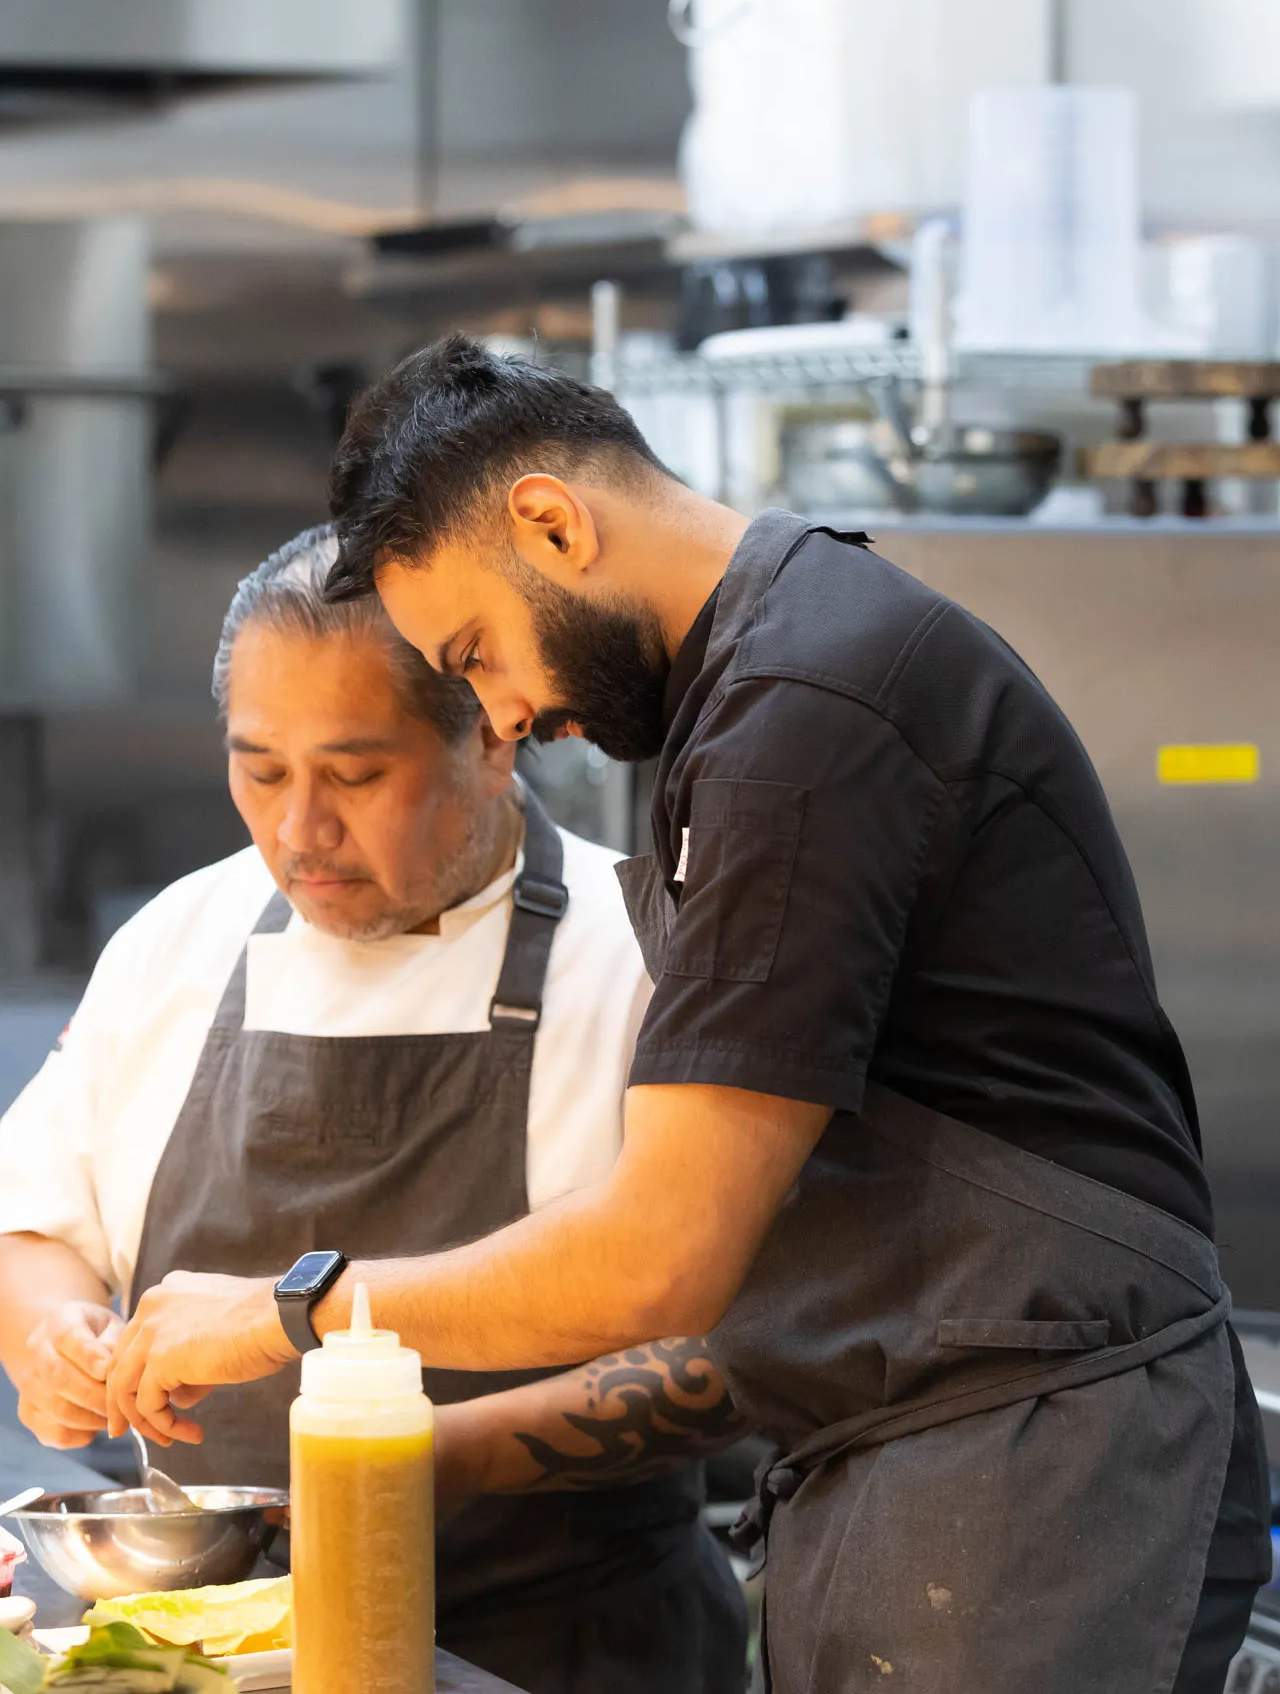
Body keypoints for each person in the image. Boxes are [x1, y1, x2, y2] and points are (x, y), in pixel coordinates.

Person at [106, 343, 1272, 1694]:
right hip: (921, 1457)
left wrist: (288, 1313)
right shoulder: (746, 700)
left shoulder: (804, 708)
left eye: (476, 653)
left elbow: (661, 1256)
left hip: (1040, 1469)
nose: (506, 714)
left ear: (553, 522)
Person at [0, 523, 747, 1694]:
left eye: (355, 776)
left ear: (495, 738)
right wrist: (51, 1336)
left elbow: (750, 1353)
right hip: (204, 1649)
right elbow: (34, 1222)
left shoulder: (655, 957)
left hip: (559, 1645)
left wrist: (404, 1459)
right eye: (260, 770)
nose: (299, 832)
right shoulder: (175, 940)